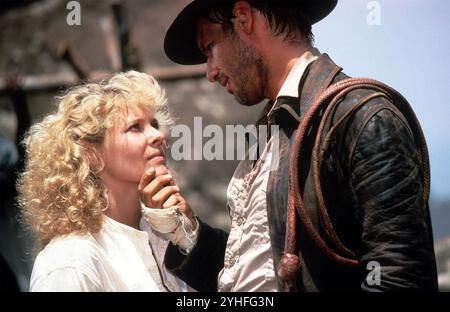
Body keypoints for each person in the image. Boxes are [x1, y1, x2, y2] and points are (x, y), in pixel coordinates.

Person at [159, 0, 438, 291]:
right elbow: (256, 277)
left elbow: (400, 277)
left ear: (243, 19)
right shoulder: (271, 131)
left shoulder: (360, 117)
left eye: (210, 48)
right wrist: (187, 233)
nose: (211, 72)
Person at [17, 71, 197, 292]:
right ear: (90, 152)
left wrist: (188, 235)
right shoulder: (70, 263)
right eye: (135, 127)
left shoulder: (169, 237)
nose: (158, 136)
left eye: (154, 124)